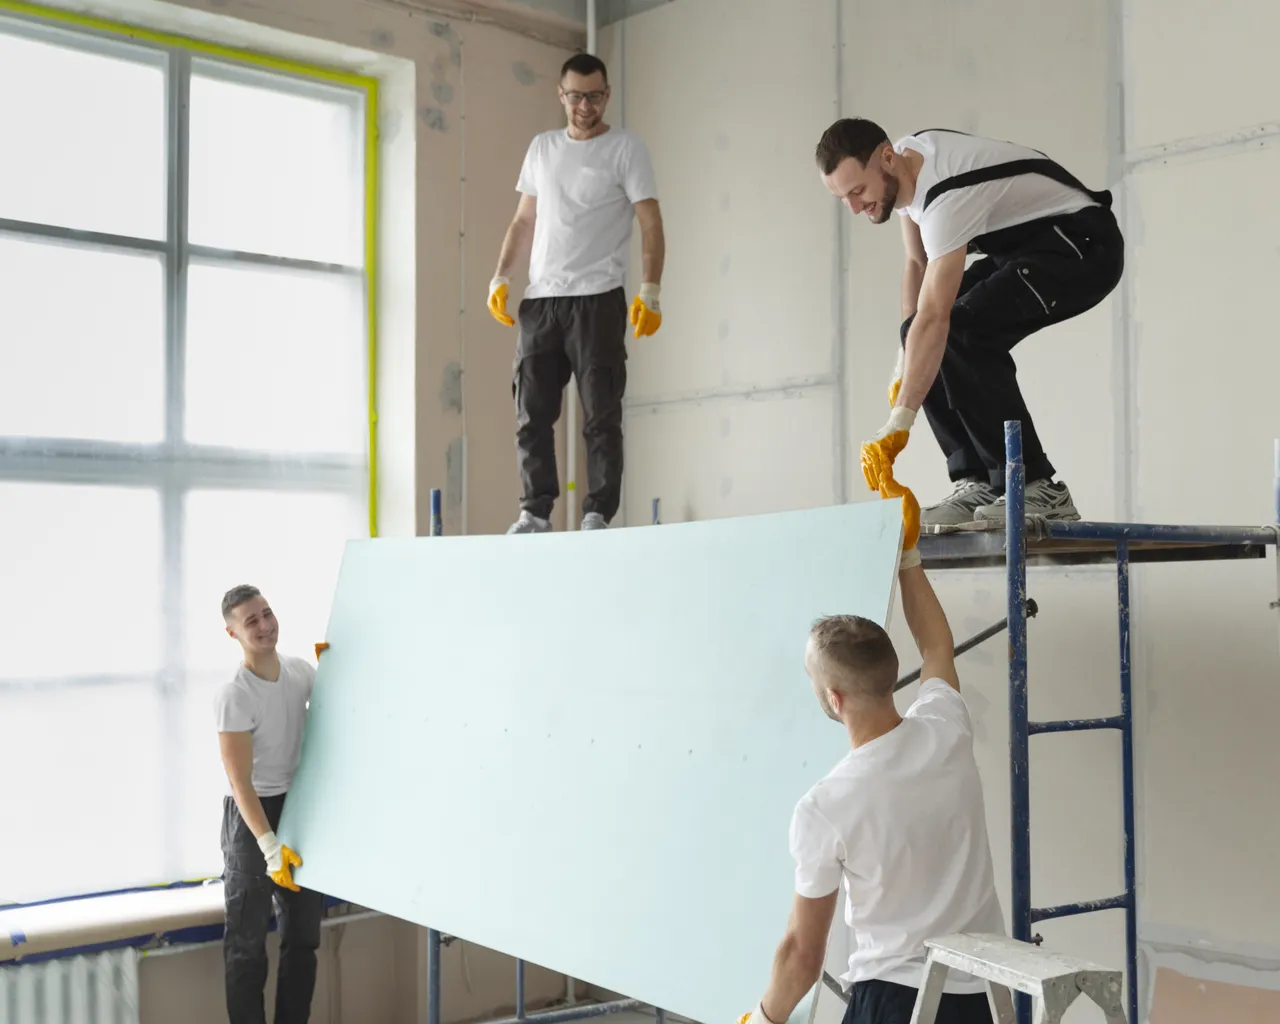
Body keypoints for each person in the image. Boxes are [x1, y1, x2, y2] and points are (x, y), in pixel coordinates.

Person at [739, 507, 1005, 1024]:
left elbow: (802, 955)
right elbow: (936, 645)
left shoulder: (826, 806)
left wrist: (764, 1018)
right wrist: (908, 555)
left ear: (833, 700)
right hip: (982, 1000)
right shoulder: (946, 727)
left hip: (897, 1003)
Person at [816, 118, 1125, 529]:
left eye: (858, 191)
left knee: (961, 331)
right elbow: (916, 263)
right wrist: (904, 357)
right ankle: (977, 480)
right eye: (843, 198)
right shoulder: (908, 162)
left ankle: (1038, 486)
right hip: (1028, 251)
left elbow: (937, 317)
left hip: (1082, 247)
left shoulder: (948, 195)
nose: (855, 207)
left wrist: (899, 421)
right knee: (921, 335)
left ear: (886, 159)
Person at [488, 51, 666, 534]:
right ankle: (535, 510)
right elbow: (524, 219)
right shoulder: (543, 148)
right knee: (531, 416)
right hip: (542, 299)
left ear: (606, 95)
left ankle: (596, 511)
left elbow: (650, 222)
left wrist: (649, 290)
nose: (585, 106)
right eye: (575, 96)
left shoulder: (627, 149)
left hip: (598, 296)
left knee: (601, 415)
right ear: (560, 95)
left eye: (594, 96)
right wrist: (501, 276)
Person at [215, 584, 324, 1024]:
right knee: (246, 948)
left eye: (267, 614)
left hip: (296, 810)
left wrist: (337, 669)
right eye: (251, 621)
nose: (264, 625)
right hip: (250, 820)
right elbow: (240, 781)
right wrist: (268, 845)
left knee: (303, 940)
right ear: (233, 633)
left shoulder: (300, 673)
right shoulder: (234, 694)